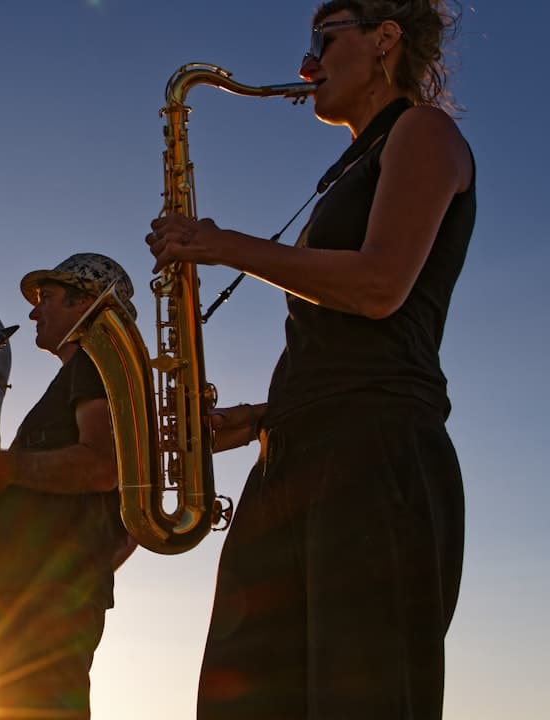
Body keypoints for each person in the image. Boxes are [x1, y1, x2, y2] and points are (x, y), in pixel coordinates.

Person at [146, 2, 473, 718]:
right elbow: (350, 344)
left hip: (375, 460)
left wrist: (221, 244)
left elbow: (380, 287)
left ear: (385, 38)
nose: (305, 65)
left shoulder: (424, 131)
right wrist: (262, 419)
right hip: (296, 457)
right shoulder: (352, 165)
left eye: (324, 40)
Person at [0, 253, 133, 720]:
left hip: (40, 603)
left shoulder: (95, 365)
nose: (33, 312)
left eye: (46, 298)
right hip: (29, 595)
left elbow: (101, 467)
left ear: (85, 302)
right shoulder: (82, 373)